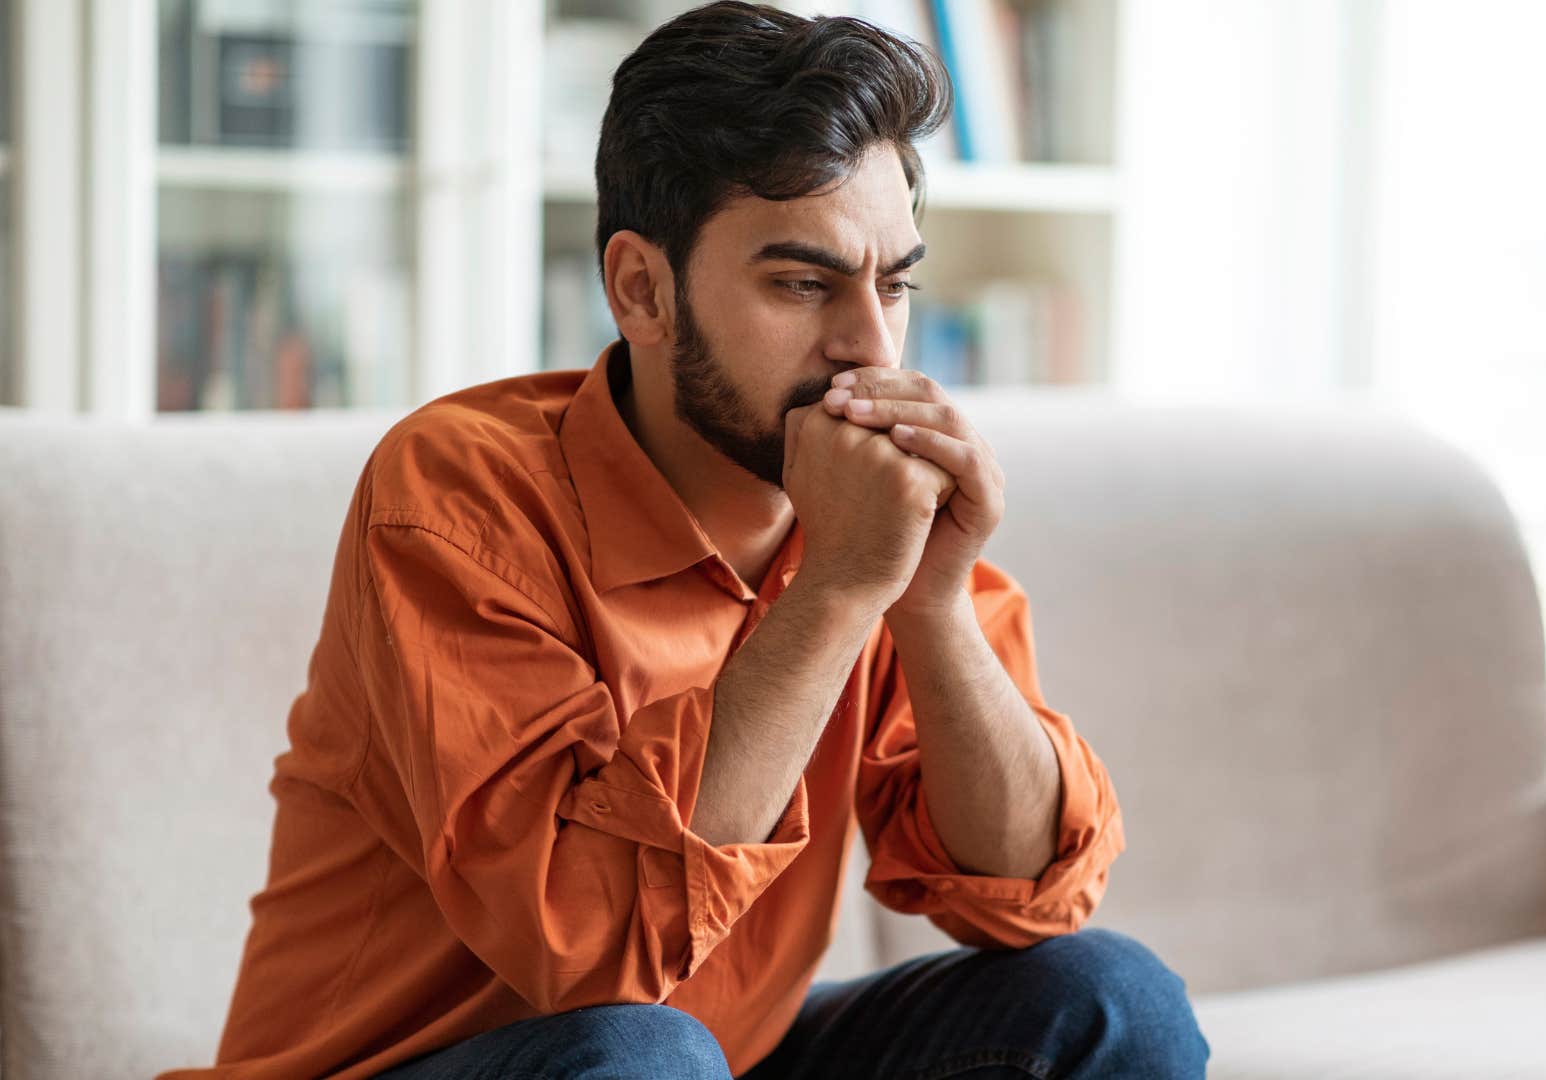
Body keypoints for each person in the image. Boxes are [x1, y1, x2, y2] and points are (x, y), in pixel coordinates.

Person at [158, 3, 1207, 1077]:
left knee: (1110, 1002)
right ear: (641, 290)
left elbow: (1031, 893)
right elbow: (588, 951)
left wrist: (929, 603)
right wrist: (838, 591)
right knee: (639, 1054)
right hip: (438, 1066)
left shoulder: (864, 520)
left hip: (701, 1059)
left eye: (893, 283)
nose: (869, 345)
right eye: (803, 283)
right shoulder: (457, 495)